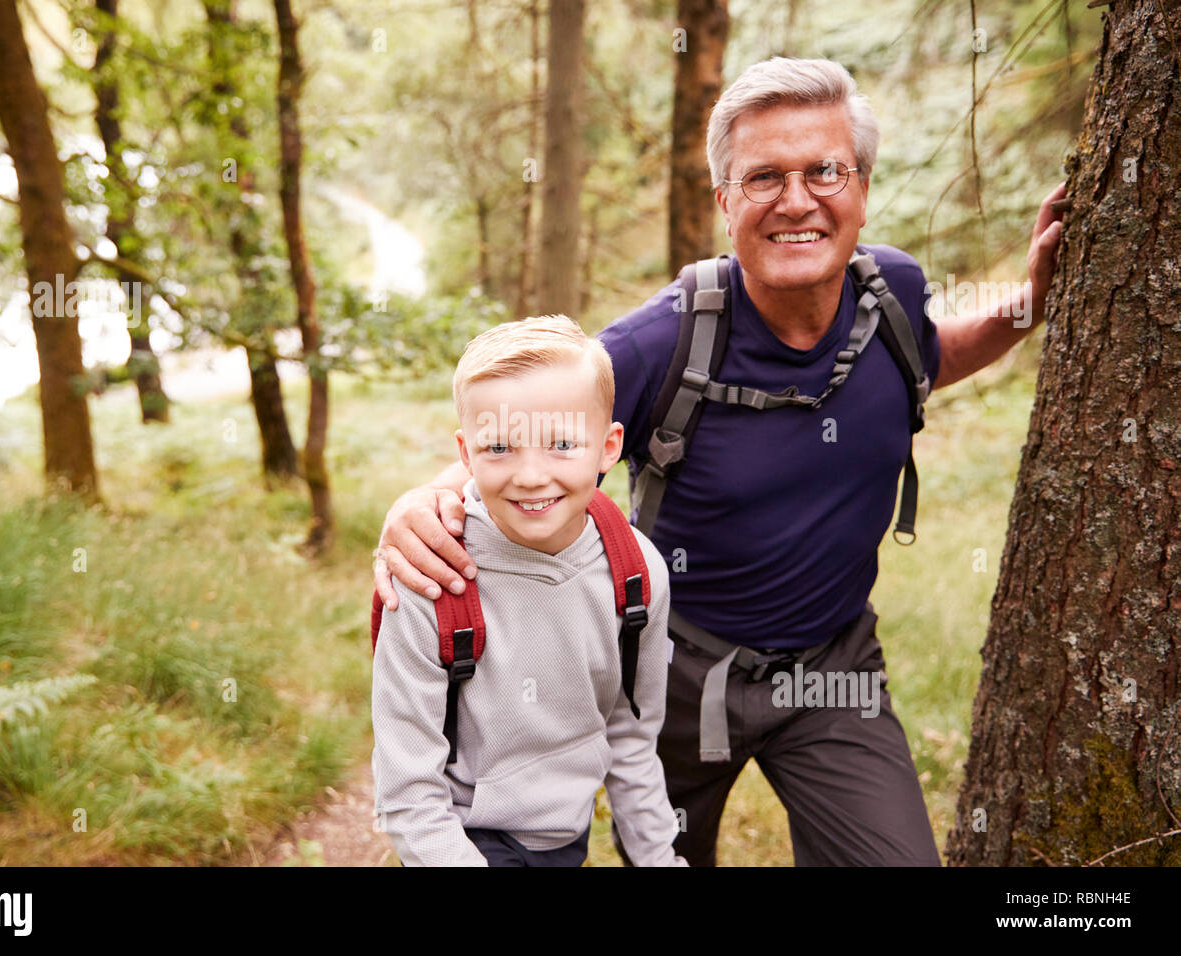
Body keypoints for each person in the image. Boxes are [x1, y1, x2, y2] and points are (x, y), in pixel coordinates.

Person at [372, 58, 1066, 866]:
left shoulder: (896, 295)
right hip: (676, 676)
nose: (797, 200)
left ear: (863, 187)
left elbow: (928, 359)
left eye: (825, 171)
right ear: (725, 201)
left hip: (834, 673)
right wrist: (420, 501)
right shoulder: (665, 339)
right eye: (763, 177)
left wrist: (1028, 305)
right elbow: (534, 429)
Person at [371, 314, 686, 867]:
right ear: (466, 454)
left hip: (565, 839)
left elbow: (631, 738)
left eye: (562, 443)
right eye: (500, 448)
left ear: (609, 446)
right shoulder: (427, 581)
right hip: (456, 841)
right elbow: (408, 792)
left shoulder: (638, 573)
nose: (531, 475)